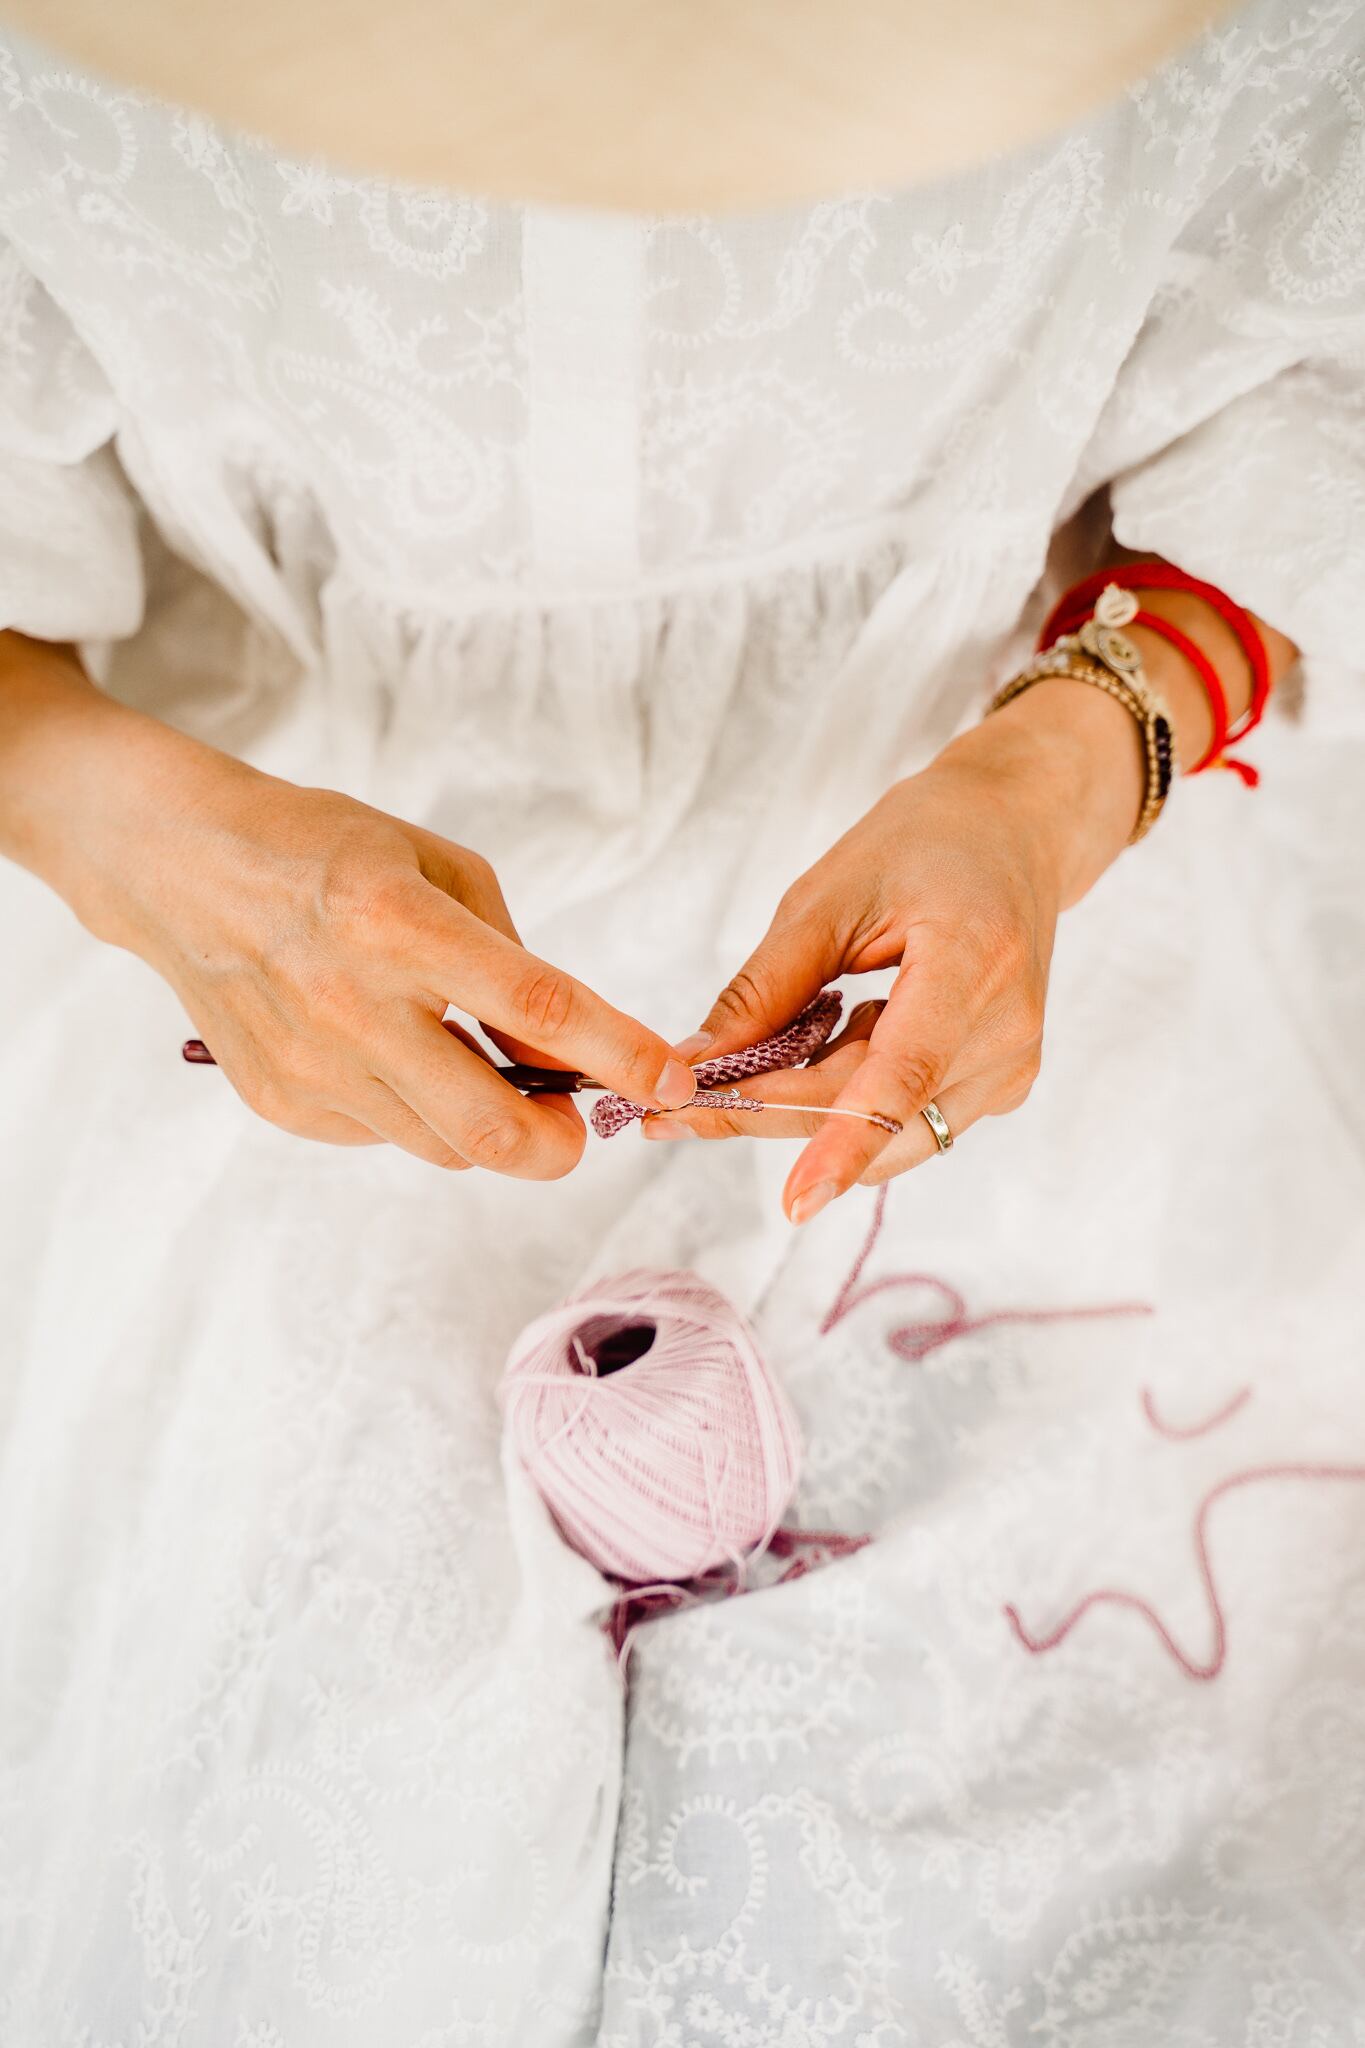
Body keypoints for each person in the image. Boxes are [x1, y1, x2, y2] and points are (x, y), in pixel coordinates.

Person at [0, 0, 1362, 2041]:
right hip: (231, 909)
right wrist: (128, 831)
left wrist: (1069, 769)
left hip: (1036, 907)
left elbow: (1313, 424)